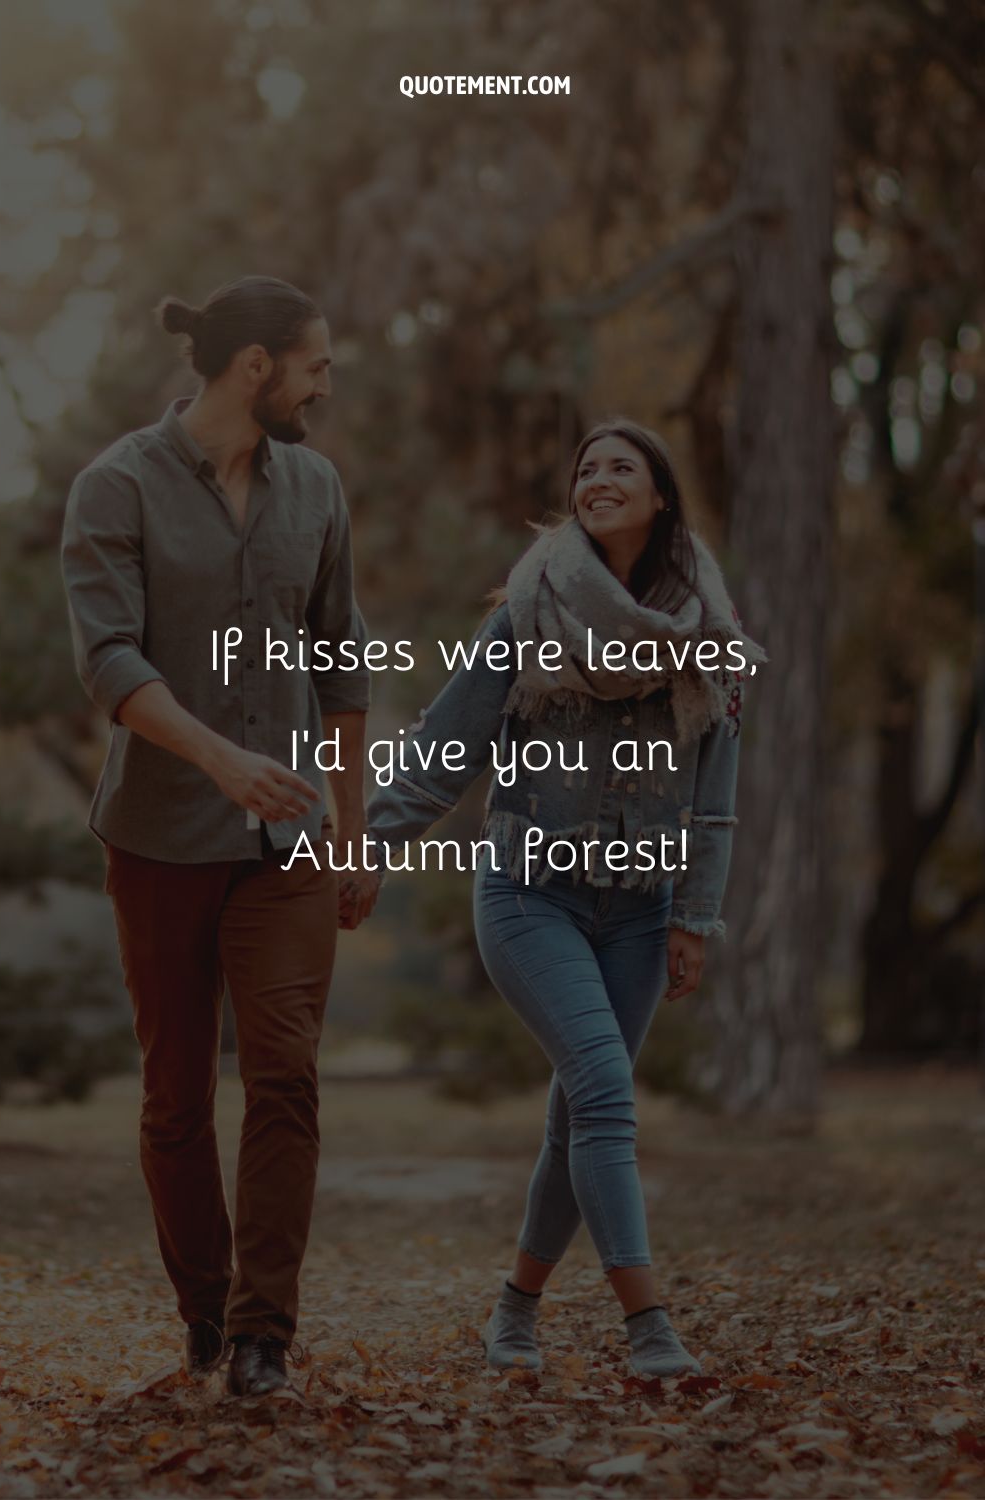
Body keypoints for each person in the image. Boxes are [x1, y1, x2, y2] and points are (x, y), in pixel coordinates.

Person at [365, 419, 764, 1376]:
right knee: (604, 1089)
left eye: (622, 467)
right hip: (527, 897)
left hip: (638, 907)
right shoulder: (530, 613)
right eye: (587, 468)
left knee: (574, 1114)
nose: (600, 479)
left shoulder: (710, 638)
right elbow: (446, 744)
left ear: (660, 496)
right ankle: (649, 1326)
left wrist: (693, 920)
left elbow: (714, 805)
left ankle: (512, 1315)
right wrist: (366, 845)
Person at [61, 275, 377, 1397]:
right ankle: (203, 1313)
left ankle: (261, 1336)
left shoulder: (316, 490)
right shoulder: (116, 487)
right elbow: (111, 663)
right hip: (159, 837)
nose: (324, 385)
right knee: (176, 1097)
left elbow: (340, 658)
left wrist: (351, 830)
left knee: (286, 1074)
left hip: (287, 847)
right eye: (316, 366)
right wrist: (220, 759)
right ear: (257, 370)